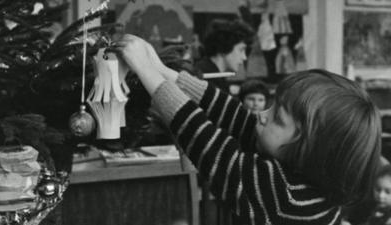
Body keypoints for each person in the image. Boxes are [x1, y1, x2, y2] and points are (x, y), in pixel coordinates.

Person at [108, 34, 382, 225]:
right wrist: (164, 71)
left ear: (311, 150)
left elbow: (213, 149)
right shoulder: (302, 172)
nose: (262, 116)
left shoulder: (287, 198)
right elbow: (238, 118)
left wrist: (147, 71)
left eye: (278, 118)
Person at [195, 19, 254, 92]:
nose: (244, 57)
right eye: (241, 50)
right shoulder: (208, 79)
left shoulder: (211, 73)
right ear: (224, 47)